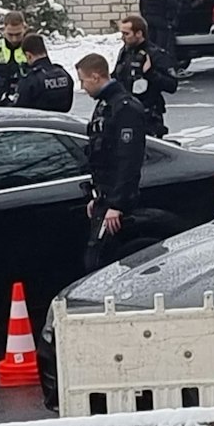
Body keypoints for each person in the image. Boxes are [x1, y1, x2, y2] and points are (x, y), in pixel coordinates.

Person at [76, 53, 147, 272]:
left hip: (116, 205)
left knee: (99, 263)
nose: (82, 87)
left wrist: (116, 205)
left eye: (83, 81)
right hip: (104, 199)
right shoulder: (105, 105)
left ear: (96, 77)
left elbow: (128, 161)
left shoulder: (124, 108)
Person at [112, 14, 178, 137]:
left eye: (126, 34)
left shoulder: (155, 54)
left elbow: (172, 85)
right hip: (125, 112)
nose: (123, 38)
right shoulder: (125, 52)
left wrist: (150, 73)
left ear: (139, 34)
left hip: (148, 115)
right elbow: (118, 76)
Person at [136, 0, 182, 70]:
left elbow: (141, 2)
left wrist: (144, 15)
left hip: (148, 18)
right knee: (163, 45)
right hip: (161, 20)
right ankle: (165, 67)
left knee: (150, 44)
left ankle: (150, 66)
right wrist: (171, 19)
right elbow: (172, 4)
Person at [12, 34, 75, 113]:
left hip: (37, 123)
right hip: (61, 122)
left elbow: (19, 110)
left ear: (28, 55)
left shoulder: (31, 79)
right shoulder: (64, 74)